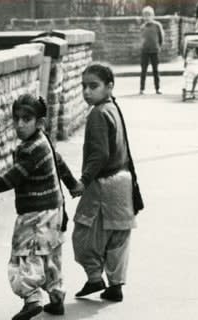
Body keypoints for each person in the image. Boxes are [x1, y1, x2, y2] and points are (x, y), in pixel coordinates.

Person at [0, 94, 80, 320]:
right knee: (50, 253)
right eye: (16, 119)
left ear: (39, 122)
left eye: (26, 119)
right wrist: (73, 185)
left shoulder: (31, 150)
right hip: (54, 210)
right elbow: (59, 163)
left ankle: (31, 298)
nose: (19, 124)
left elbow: (10, 179)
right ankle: (56, 297)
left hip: (35, 214)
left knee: (25, 255)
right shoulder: (44, 141)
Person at [72, 64, 137, 305]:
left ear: (109, 86)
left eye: (93, 86)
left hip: (103, 185)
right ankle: (115, 285)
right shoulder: (112, 107)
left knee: (83, 234)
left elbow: (99, 154)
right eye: (84, 86)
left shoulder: (98, 113)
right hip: (123, 183)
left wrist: (83, 181)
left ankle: (94, 277)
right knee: (117, 237)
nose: (87, 92)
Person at [139, 6, 164, 95]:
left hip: (154, 51)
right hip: (145, 51)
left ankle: (157, 88)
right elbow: (142, 38)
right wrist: (142, 46)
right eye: (145, 15)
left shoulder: (157, 25)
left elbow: (161, 37)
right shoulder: (143, 27)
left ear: (153, 16)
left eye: (149, 15)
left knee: (155, 70)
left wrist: (159, 46)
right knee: (143, 70)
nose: (147, 17)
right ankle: (142, 89)